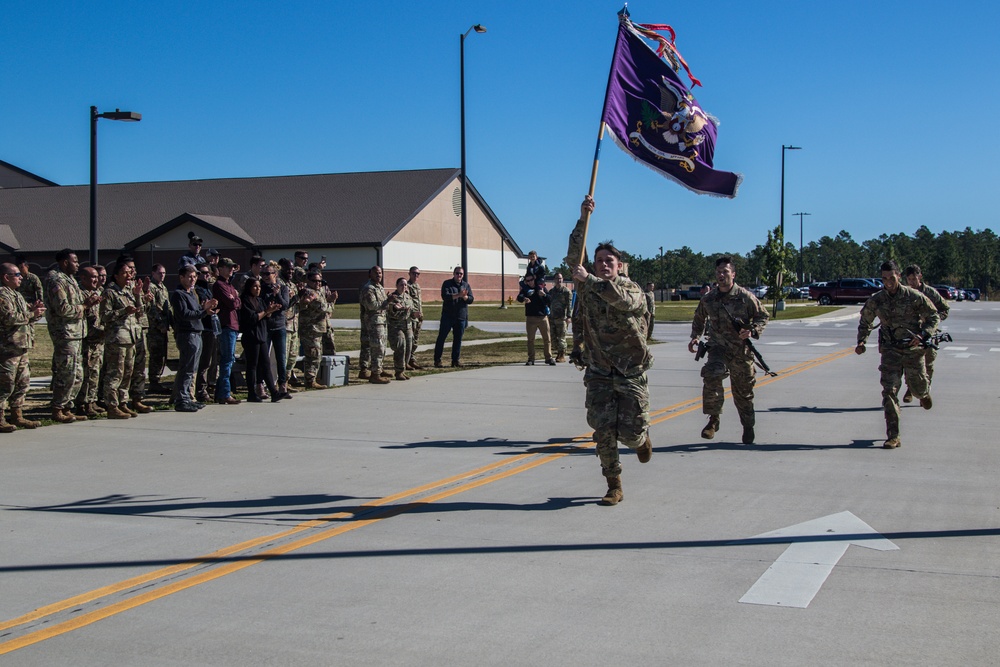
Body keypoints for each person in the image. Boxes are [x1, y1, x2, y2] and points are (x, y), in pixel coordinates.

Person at [569, 197, 652, 506]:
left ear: (620, 266)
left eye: (610, 261)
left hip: (630, 371)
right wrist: (582, 218)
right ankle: (613, 484)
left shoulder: (631, 289)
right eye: (599, 260)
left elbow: (624, 303)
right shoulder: (586, 286)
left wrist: (590, 280)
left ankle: (642, 441)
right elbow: (573, 257)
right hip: (600, 372)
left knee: (630, 434)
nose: (604, 264)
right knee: (603, 430)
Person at [856, 260, 940, 449]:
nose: (888, 282)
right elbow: (865, 320)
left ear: (898, 276)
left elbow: (933, 315)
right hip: (890, 351)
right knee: (889, 391)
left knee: (917, 387)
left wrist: (923, 334)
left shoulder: (913, 296)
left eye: (891, 278)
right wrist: (861, 341)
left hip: (912, 350)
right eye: (884, 278)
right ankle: (893, 435)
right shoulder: (877, 299)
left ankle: (923, 393)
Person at [688, 256, 769, 445]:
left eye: (725, 271)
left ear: (733, 274)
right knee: (711, 375)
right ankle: (713, 420)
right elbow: (699, 318)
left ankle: (748, 426)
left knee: (743, 392)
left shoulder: (745, 297)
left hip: (741, 351)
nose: (721, 275)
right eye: (718, 272)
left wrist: (752, 330)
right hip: (718, 349)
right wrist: (695, 336)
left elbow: (763, 316)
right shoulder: (709, 299)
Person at [43, 249, 99, 423]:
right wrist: (84, 306)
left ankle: (67, 407)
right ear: (65, 262)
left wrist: (90, 301)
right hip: (64, 334)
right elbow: (62, 309)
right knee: (66, 373)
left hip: (76, 333)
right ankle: (58, 408)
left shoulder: (70, 280)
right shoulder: (56, 280)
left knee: (77, 374)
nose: (78, 264)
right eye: (75, 261)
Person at [0, 263, 46, 432]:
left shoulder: (17, 295)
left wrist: (35, 312)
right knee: (6, 384)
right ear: (6, 277)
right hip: (8, 348)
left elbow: (25, 317)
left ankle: (17, 415)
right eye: (17, 275)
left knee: (22, 383)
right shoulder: (2, 295)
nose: (21, 277)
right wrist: (32, 314)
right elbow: (9, 318)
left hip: (22, 346)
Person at [100, 260, 143, 419]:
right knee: (115, 374)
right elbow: (104, 316)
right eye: (125, 273)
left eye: (130, 273)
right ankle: (112, 406)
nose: (129, 276)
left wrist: (138, 296)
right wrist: (123, 311)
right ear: (116, 275)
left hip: (130, 338)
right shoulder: (110, 292)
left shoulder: (129, 291)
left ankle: (123, 403)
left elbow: (140, 313)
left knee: (127, 374)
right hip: (117, 339)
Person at [170, 264, 216, 412]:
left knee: (193, 368)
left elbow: (196, 311)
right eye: (189, 276)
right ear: (181, 277)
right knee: (187, 368)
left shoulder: (192, 293)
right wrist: (203, 311)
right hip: (187, 334)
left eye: (195, 276)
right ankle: (181, 399)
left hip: (197, 332)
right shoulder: (179, 294)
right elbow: (185, 315)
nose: (193, 279)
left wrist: (205, 308)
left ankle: (187, 397)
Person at [902, 264, 950, 403]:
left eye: (914, 278)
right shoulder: (905, 294)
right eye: (909, 279)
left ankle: (924, 393)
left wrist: (933, 321)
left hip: (928, 334)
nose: (912, 282)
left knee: (928, 364)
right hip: (911, 334)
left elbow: (944, 309)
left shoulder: (930, 292)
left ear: (920, 276)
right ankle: (910, 389)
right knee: (910, 364)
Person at [239, 277, 285, 402]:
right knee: (252, 366)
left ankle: (274, 392)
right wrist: (266, 311)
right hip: (251, 336)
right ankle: (251, 394)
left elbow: (265, 317)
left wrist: (270, 311)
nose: (258, 289)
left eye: (259, 287)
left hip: (262, 335)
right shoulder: (245, 300)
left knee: (266, 364)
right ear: (249, 287)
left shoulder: (259, 300)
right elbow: (252, 318)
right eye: (255, 286)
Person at [74, 266, 106, 418]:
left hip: (98, 340)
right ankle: (82, 403)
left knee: (95, 372)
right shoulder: (80, 294)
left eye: (97, 277)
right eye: (92, 277)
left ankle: (91, 401)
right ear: (83, 278)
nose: (96, 279)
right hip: (87, 340)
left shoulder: (96, 293)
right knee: (86, 373)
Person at [212, 258, 242, 405]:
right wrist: (234, 298)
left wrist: (235, 297)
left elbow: (237, 302)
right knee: (227, 360)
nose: (231, 270)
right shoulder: (219, 285)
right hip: (226, 325)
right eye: (228, 267)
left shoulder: (229, 285)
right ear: (220, 268)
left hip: (233, 325)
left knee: (229, 359)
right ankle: (224, 393)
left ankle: (221, 392)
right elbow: (231, 302)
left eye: (232, 268)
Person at [297, 271, 333, 388]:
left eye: (319, 281)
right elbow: (323, 308)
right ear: (308, 281)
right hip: (310, 329)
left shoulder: (318, 292)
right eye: (314, 281)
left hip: (317, 329)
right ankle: (310, 379)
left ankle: (311, 378)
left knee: (316, 355)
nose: (318, 283)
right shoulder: (309, 293)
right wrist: (331, 301)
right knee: (313, 355)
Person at [434, 267, 474, 368]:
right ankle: (437, 360)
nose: (459, 275)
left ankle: (455, 360)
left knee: (458, 339)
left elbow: (471, 299)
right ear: (453, 273)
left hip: (461, 316)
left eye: (461, 274)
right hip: (448, 316)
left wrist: (465, 297)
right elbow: (445, 296)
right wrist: (458, 295)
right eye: (457, 273)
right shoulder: (447, 283)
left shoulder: (466, 285)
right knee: (441, 338)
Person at [359, 265, 390, 384]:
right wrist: (387, 301)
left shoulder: (379, 288)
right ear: (370, 275)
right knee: (377, 347)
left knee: (380, 347)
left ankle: (378, 369)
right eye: (376, 273)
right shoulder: (369, 288)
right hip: (373, 322)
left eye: (380, 273)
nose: (379, 275)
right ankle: (375, 374)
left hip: (381, 321)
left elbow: (383, 304)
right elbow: (371, 306)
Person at [194, 265, 220, 403]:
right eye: (202, 273)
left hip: (212, 327)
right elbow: (197, 309)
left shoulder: (207, 289)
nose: (206, 275)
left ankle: (209, 386)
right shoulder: (195, 290)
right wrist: (205, 308)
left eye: (207, 272)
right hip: (202, 329)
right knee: (203, 363)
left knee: (212, 361)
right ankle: (200, 390)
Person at [517, 273, 555, 366]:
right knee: (530, 339)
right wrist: (524, 298)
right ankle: (531, 358)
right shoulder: (525, 289)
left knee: (547, 339)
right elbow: (519, 297)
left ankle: (548, 358)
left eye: (531, 280)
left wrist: (544, 295)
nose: (529, 282)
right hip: (531, 318)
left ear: (534, 279)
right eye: (527, 281)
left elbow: (550, 299)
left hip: (542, 317)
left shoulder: (540, 287)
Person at [147, 263, 172, 393]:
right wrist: (159, 324)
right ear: (153, 273)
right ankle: (153, 381)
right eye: (159, 273)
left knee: (162, 355)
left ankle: (157, 380)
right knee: (156, 354)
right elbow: (151, 309)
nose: (162, 275)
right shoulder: (151, 288)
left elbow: (166, 307)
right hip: (154, 328)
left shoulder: (163, 288)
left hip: (163, 327)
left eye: (163, 273)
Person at [386, 277, 415, 380]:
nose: (404, 287)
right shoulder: (392, 297)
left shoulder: (408, 298)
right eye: (401, 285)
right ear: (397, 286)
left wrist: (414, 314)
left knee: (409, 348)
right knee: (400, 347)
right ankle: (399, 372)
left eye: (405, 285)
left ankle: (403, 370)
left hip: (407, 326)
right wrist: (394, 308)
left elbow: (411, 312)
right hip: (396, 327)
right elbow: (389, 311)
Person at [548, 273, 572, 363]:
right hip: (552, 317)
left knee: (561, 337)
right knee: (553, 338)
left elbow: (569, 305)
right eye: (557, 278)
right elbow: (548, 303)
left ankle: (561, 354)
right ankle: (558, 352)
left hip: (562, 318)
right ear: (554, 280)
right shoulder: (551, 292)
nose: (559, 280)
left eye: (560, 278)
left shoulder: (566, 291)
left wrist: (569, 316)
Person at [406, 266, 424, 370]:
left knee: (416, 339)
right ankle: (407, 361)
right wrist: (413, 314)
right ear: (409, 273)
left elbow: (419, 302)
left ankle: (412, 359)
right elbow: (408, 302)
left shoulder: (417, 286)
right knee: (410, 340)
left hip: (419, 317)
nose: (416, 275)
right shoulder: (407, 286)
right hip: (412, 317)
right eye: (414, 273)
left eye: (418, 274)